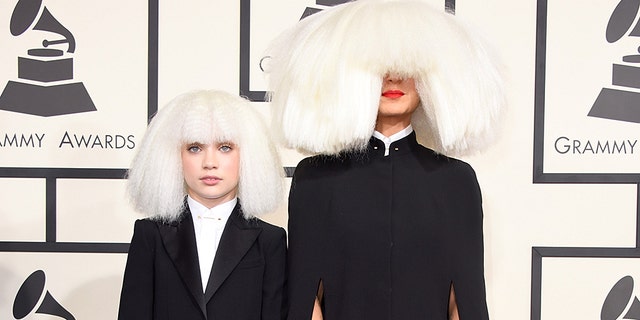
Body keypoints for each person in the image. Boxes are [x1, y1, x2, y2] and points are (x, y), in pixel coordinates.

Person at [264, 0, 505, 319]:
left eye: (408, 67)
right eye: (379, 68)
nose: (394, 79)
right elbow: (307, 299)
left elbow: (464, 299)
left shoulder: (455, 181)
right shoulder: (316, 179)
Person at [117, 90, 287, 320]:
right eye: (195, 148)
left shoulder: (270, 241)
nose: (209, 163)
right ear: (172, 156)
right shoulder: (151, 235)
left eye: (225, 147)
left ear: (248, 155)